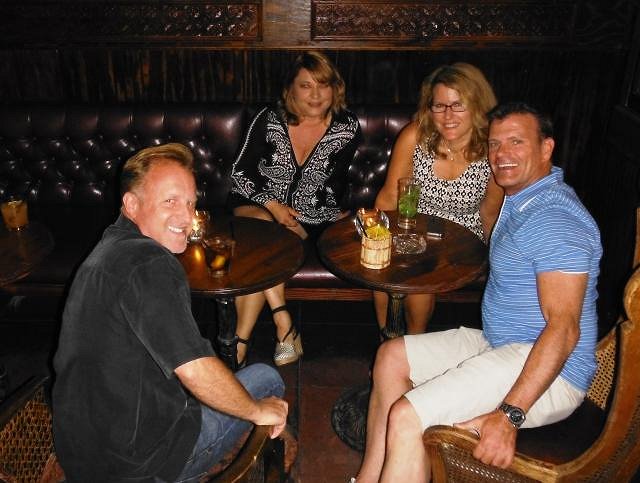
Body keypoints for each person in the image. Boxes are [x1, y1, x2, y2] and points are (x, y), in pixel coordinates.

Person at [352, 102, 602, 482]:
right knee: (390, 357)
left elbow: (564, 329)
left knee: (407, 416)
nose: (501, 154)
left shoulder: (555, 220)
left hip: (551, 372)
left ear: (546, 148)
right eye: (495, 144)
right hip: (503, 344)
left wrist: (509, 415)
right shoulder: (521, 198)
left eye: (516, 142)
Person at [52, 144, 288, 482]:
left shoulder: (109, 248)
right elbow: (194, 370)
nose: (186, 216)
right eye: (170, 201)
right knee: (267, 378)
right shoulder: (149, 263)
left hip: (80, 453)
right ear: (131, 204)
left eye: (191, 203)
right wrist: (257, 410)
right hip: (140, 466)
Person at [228, 51, 362, 366]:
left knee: (264, 246)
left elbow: (334, 187)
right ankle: (283, 322)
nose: (316, 95)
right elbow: (239, 173)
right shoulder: (268, 118)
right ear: (291, 89)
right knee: (265, 226)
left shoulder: (347, 127)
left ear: (335, 88)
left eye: (323, 85)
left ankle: (239, 344)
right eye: (306, 86)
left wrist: (311, 221)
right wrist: (274, 206)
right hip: (256, 205)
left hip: (309, 219)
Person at [373, 62, 504, 335]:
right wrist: (375, 237)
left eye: (458, 105)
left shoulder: (492, 149)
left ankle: (414, 340)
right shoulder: (415, 136)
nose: (447, 115)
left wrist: (498, 261)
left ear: (477, 105)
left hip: (464, 238)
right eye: (439, 106)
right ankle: (387, 337)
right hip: (414, 227)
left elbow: (491, 213)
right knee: (380, 261)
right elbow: (389, 196)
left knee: (421, 269)